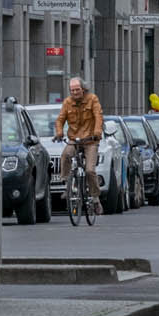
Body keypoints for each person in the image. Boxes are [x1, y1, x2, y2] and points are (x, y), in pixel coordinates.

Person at [52, 77, 106, 216]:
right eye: (72, 90)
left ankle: (95, 198)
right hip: (74, 139)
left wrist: (97, 132)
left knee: (90, 171)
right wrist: (59, 132)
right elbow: (60, 120)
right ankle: (67, 185)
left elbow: (98, 117)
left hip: (90, 140)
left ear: (83, 89)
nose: (75, 93)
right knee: (65, 155)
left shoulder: (92, 99)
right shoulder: (67, 102)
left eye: (77, 90)